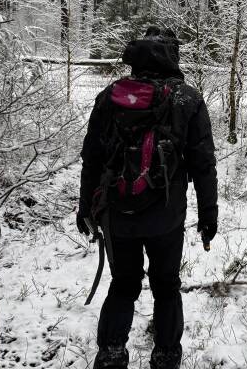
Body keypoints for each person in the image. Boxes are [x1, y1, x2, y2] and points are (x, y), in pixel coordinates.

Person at [77, 27, 218, 369]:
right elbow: (203, 164)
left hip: (116, 212)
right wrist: (208, 213)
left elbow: (92, 157)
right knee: (166, 285)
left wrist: (85, 206)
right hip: (166, 215)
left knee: (123, 284)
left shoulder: (110, 95)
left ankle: (111, 354)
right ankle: (166, 355)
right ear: (173, 56)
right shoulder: (187, 99)